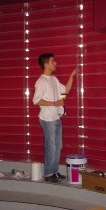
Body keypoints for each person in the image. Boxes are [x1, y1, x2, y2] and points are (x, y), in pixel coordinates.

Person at [33, 53, 77, 183]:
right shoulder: (41, 81)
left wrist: (71, 77)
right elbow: (36, 100)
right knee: (51, 146)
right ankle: (48, 173)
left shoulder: (53, 79)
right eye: (53, 61)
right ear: (46, 64)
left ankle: (54, 171)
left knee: (57, 146)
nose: (55, 63)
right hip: (47, 119)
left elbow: (64, 92)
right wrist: (55, 103)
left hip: (56, 118)